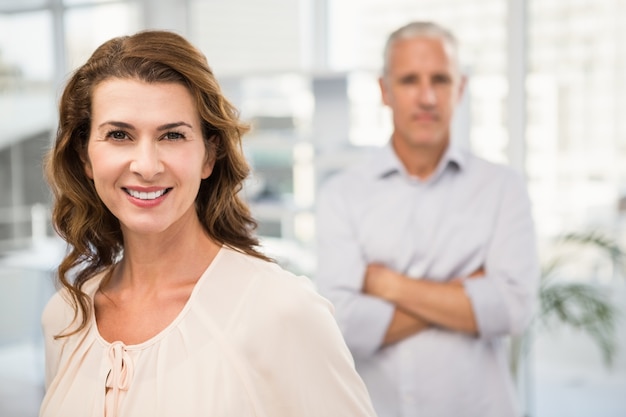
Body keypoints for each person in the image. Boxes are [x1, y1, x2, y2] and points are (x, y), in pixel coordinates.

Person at [40, 30, 377, 417]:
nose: (147, 166)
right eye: (119, 135)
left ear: (208, 155)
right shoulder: (65, 316)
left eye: (172, 135)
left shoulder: (281, 311)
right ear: (85, 156)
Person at [315, 21, 540, 417]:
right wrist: (465, 293)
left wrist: (387, 284)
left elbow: (513, 309)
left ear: (461, 88)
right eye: (409, 80)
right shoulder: (342, 194)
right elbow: (342, 324)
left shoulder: (502, 187)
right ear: (385, 91)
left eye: (440, 79)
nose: (427, 97)